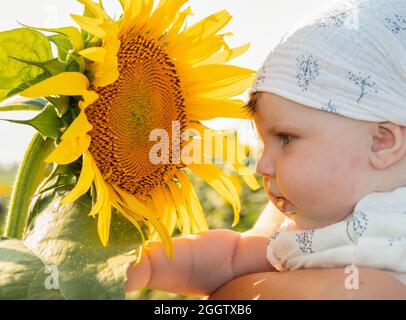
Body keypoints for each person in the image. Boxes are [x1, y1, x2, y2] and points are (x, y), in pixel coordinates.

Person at [125, 0, 406, 299]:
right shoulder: (302, 232)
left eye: (286, 138)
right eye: (263, 143)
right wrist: (146, 266)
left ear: (382, 142)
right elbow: (229, 258)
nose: (261, 165)